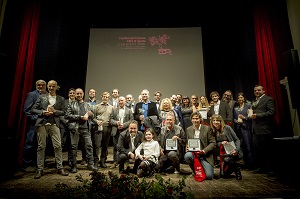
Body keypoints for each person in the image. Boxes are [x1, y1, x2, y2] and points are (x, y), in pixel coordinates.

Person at [31, 80, 69, 179]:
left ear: (57, 87)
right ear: (47, 86)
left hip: (54, 124)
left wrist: (55, 111)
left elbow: (64, 112)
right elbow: (33, 109)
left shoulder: (61, 99)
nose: (51, 88)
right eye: (49, 86)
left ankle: (60, 168)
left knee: (58, 146)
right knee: (41, 146)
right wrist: (43, 112)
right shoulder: (42, 97)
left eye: (53, 86)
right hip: (42, 124)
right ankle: (40, 169)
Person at [65, 88, 98, 173]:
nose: (79, 95)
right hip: (74, 129)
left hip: (85, 128)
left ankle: (90, 164)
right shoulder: (71, 104)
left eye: (80, 93)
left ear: (83, 94)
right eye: (77, 94)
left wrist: (91, 114)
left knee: (89, 146)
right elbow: (67, 115)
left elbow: (92, 115)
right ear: (75, 95)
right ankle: (73, 166)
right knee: (73, 147)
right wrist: (80, 117)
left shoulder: (87, 105)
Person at [248, 84, 276, 174]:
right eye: (255, 90)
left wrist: (257, 115)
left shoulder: (268, 99)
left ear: (263, 91)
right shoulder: (254, 101)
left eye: (259, 90)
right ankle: (261, 168)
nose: (257, 92)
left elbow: (272, 112)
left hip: (265, 129)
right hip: (255, 129)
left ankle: (271, 169)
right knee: (259, 150)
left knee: (268, 150)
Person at [22, 79, 47, 170]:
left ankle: (39, 163)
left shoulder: (47, 95)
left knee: (41, 144)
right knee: (30, 143)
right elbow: (27, 111)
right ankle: (27, 164)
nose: (40, 87)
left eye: (42, 85)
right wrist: (37, 118)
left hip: (45, 124)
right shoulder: (32, 95)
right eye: (39, 85)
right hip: (34, 124)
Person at [184, 111, 215, 180]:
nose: (195, 120)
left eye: (197, 118)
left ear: (200, 119)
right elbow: (188, 141)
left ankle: (202, 167)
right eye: (193, 119)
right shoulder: (189, 129)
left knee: (209, 176)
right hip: (194, 154)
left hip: (205, 155)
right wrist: (187, 146)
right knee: (187, 156)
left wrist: (204, 151)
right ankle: (195, 170)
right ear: (191, 119)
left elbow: (213, 143)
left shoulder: (207, 129)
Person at [210, 114, 243, 180]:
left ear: (220, 121)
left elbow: (237, 140)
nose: (215, 122)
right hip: (222, 152)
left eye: (217, 120)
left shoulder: (227, 128)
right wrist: (221, 143)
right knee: (223, 175)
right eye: (214, 120)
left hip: (232, 150)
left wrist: (236, 150)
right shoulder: (212, 131)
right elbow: (213, 143)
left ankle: (237, 170)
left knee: (227, 159)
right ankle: (232, 168)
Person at [110, 96, 133, 168]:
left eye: (122, 100)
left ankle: (126, 162)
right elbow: (111, 120)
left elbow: (131, 120)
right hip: (116, 131)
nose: (120, 102)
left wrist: (124, 125)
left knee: (126, 147)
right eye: (119, 101)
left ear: (125, 101)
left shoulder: (129, 110)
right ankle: (115, 161)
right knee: (116, 147)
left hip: (125, 130)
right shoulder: (114, 110)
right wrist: (116, 123)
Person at [233, 92, 255, 169]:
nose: (240, 99)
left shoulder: (248, 106)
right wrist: (236, 121)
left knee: (248, 145)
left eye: (241, 97)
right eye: (238, 98)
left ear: (244, 98)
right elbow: (234, 118)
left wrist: (244, 118)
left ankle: (251, 163)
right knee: (242, 146)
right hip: (238, 129)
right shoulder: (236, 108)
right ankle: (245, 162)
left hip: (246, 128)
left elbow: (251, 116)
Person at [93, 91, 114, 168]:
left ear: (109, 98)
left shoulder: (111, 108)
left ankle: (103, 161)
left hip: (107, 127)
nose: (105, 98)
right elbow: (93, 117)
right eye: (104, 96)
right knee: (97, 145)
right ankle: (95, 161)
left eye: (107, 97)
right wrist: (97, 121)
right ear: (101, 97)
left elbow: (112, 118)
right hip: (98, 127)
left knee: (105, 145)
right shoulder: (96, 106)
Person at [59, 88, 76, 166]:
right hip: (63, 125)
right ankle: (59, 162)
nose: (72, 94)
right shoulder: (64, 102)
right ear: (68, 94)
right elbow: (60, 113)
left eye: (73, 93)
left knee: (71, 144)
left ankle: (70, 160)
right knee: (61, 143)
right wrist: (65, 121)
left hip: (73, 126)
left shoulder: (77, 103)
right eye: (70, 93)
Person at [84, 88, 100, 166]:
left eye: (93, 92)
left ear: (95, 93)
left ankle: (94, 158)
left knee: (95, 143)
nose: (92, 93)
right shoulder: (85, 102)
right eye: (90, 92)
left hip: (96, 124)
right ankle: (85, 158)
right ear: (88, 93)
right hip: (87, 124)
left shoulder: (98, 103)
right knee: (86, 142)